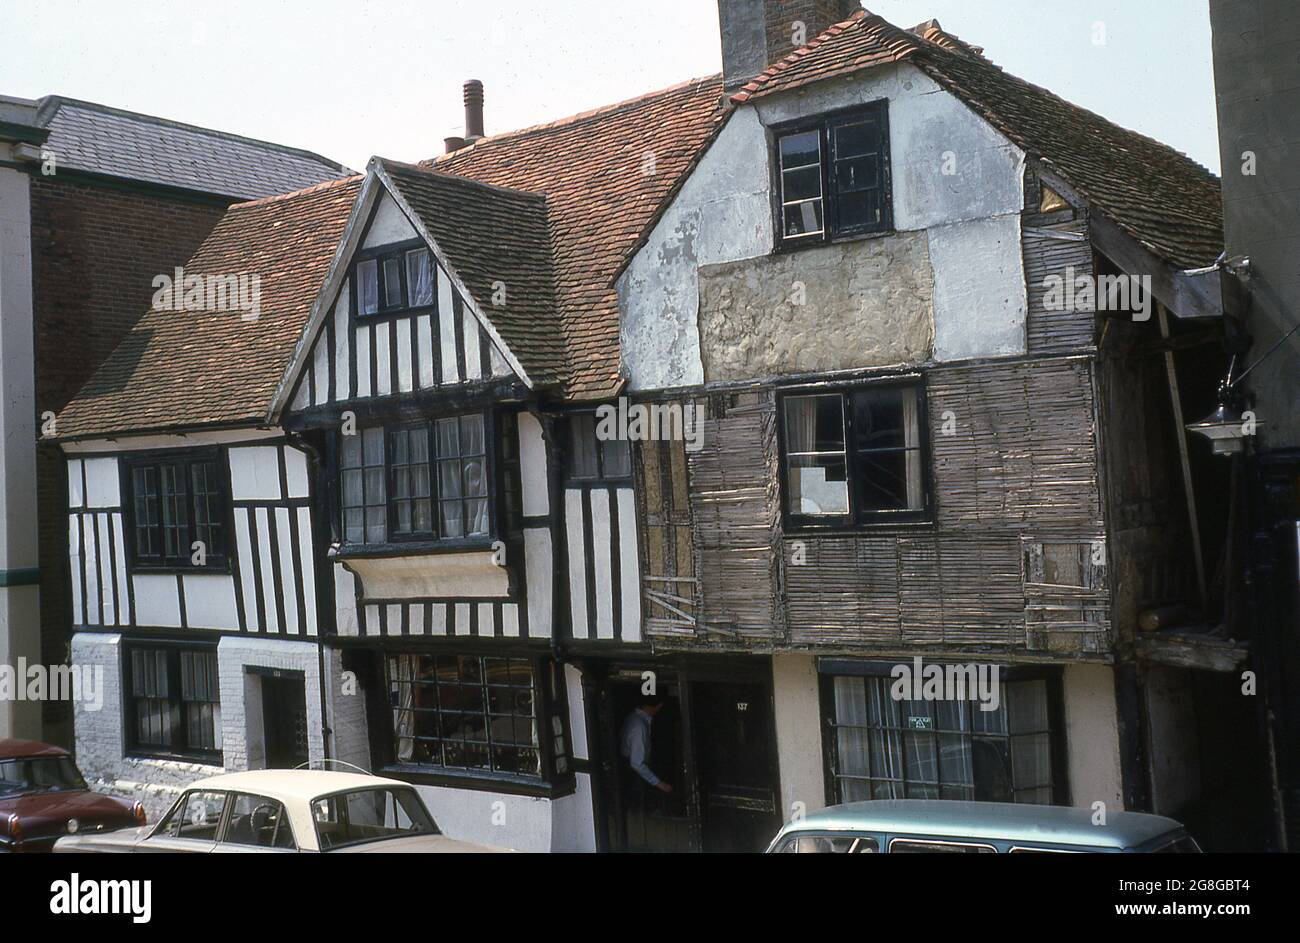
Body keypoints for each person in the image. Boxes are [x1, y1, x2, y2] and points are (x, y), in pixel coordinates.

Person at [620, 693, 672, 800]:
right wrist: (659, 783)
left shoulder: (634, 717)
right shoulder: (639, 726)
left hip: (634, 768)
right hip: (634, 773)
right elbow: (636, 763)